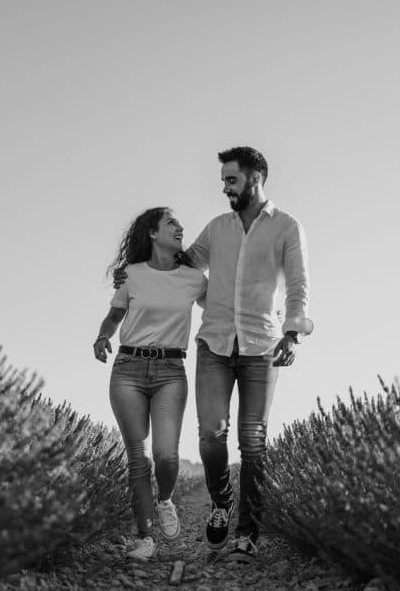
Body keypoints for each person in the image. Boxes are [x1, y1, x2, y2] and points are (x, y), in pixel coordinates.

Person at [115, 146, 312, 564]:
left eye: (231, 180)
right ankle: (222, 502)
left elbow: (298, 284)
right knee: (210, 433)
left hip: (261, 346)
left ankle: (247, 532)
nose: (224, 187)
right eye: (223, 180)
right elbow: (182, 261)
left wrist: (293, 332)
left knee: (253, 441)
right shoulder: (218, 227)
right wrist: (135, 269)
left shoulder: (287, 228)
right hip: (215, 345)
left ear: (255, 177)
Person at [94, 207, 208, 562]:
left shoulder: (193, 279)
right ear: (152, 233)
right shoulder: (131, 275)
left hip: (171, 370)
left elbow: (221, 306)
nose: (180, 227)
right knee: (137, 458)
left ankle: (165, 500)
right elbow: (114, 316)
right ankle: (144, 538)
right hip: (127, 367)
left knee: (166, 454)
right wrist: (101, 337)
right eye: (172, 223)